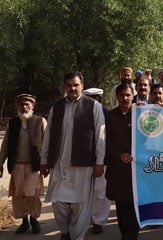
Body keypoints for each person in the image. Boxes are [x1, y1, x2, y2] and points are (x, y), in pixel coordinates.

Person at [40, 72, 106, 240]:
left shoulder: (93, 106)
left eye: (76, 85)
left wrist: (99, 162)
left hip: (83, 165)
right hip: (60, 163)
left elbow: (100, 136)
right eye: (69, 85)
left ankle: (77, 236)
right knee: (58, 202)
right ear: (64, 87)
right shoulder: (57, 107)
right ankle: (65, 231)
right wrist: (44, 161)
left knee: (81, 205)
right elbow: (48, 135)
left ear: (82, 86)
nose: (72, 88)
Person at [0, 93, 46, 235]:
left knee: (32, 194)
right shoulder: (12, 123)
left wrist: (46, 164)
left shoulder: (40, 121)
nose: (24, 107)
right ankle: (24, 221)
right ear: (17, 106)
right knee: (19, 195)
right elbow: (5, 144)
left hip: (34, 166)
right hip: (17, 165)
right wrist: (0, 164)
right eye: (21, 104)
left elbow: (47, 144)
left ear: (33, 106)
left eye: (27, 104)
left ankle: (34, 220)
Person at [105, 83, 140, 240]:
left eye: (128, 95)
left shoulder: (142, 114)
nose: (125, 98)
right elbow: (105, 141)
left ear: (133, 95)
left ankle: (131, 236)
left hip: (138, 169)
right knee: (122, 204)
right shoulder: (109, 116)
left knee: (135, 204)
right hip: (118, 168)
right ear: (117, 97)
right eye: (122, 95)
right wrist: (119, 154)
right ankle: (125, 234)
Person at [83, 88, 110, 234]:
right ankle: (87, 218)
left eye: (95, 98)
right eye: (89, 98)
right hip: (83, 160)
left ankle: (99, 222)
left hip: (103, 159)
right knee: (86, 192)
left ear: (99, 98)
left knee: (101, 192)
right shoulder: (80, 112)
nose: (92, 101)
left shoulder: (106, 112)